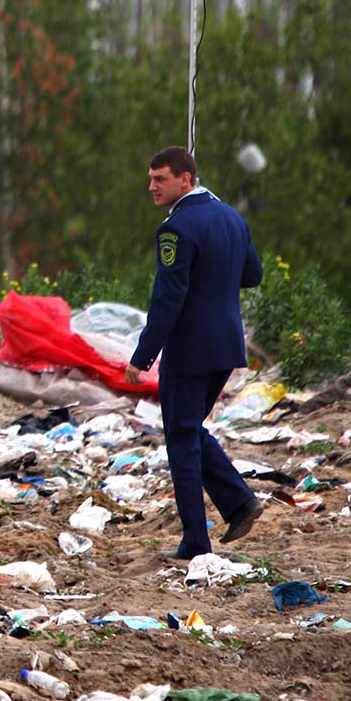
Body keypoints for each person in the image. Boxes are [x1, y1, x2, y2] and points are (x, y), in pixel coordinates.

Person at [123, 147, 268, 560]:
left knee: (181, 438)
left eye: (160, 179)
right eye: (150, 179)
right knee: (189, 430)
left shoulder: (178, 228)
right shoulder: (231, 217)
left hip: (190, 350)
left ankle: (195, 543)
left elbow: (168, 300)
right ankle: (239, 502)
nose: (151, 187)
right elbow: (252, 274)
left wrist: (143, 356)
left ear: (185, 178)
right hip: (226, 345)